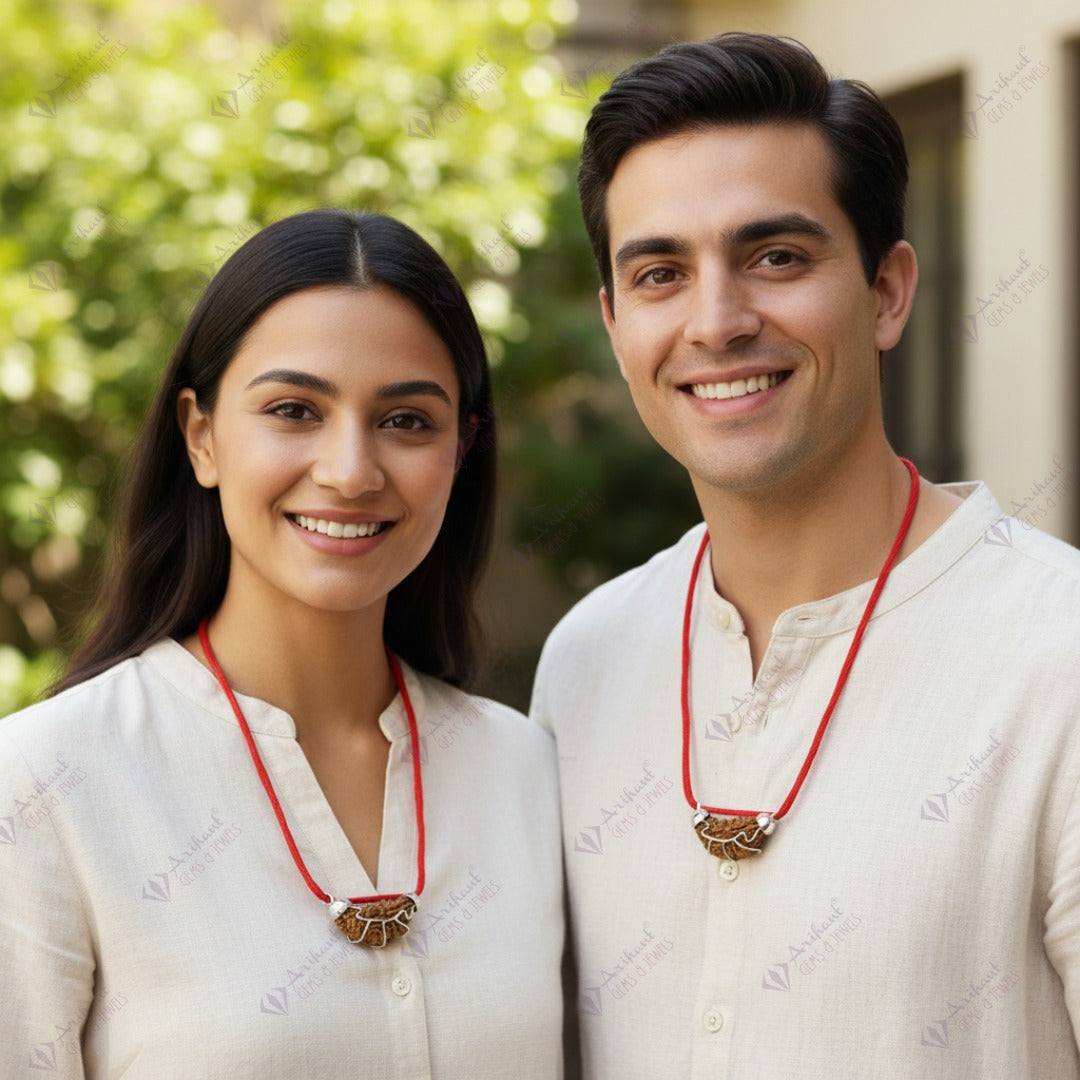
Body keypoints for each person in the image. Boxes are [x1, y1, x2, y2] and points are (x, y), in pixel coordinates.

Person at [530, 32, 1080, 1079]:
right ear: (615, 323)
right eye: (660, 274)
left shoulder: (1057, 655)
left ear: (887, 292)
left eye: (775, 257)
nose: (717, 322)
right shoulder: (587, 660)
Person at [0, 209, 564, 1078]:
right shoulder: (46, 784)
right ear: (201, 436)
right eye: (294, 410)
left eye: (407, 421)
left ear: (463, 448)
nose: (350, 471)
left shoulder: (525, 771)